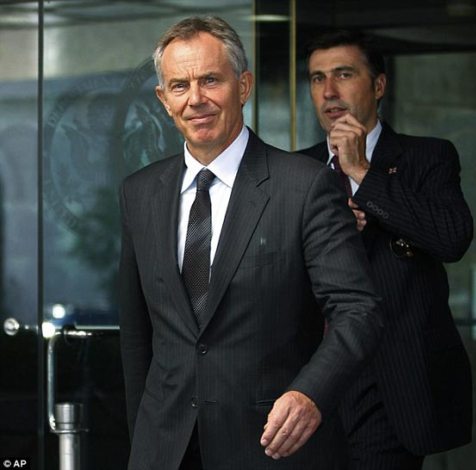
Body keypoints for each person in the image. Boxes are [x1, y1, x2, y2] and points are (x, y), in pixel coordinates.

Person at [119, 16, 383, 470]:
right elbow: (137, 334)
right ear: (163, 100)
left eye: (210, 80)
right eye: (180, 86)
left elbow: (358, 311)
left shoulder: (304, 186)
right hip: (165, 449)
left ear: (243, 86)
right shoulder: (139, 193)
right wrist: (142, 445)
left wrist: (310, 394)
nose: (195, 99)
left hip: (271, 447)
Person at [299, 29, 473, 470]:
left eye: (343, 74)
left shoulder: (427, 157)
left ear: (378, 85)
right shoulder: (295, 169)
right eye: (318, 78)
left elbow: (451, 238)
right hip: (311, 381)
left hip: (391, 382)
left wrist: (361, 171)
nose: (329, 91)